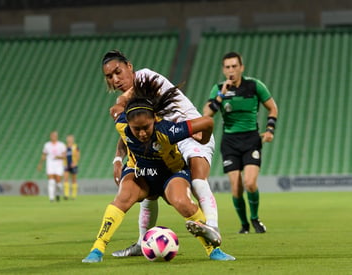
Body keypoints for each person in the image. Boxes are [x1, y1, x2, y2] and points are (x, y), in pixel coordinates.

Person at [82, 75, 235, 263]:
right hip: (142, 173)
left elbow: (208, 123)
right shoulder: (122, 123)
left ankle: (213, 250)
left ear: (154, 119)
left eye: (146, 127)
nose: (142, 133)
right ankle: (97, 249)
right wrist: (117, 160)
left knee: (181, 201)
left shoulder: (167, 129)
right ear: (128, 123)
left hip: (171, 174)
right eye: (136, 129)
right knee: (123, 197)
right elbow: (121, 127)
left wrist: (201, 140)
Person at [103, 50, 222, 257]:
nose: (115, 79)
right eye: (109, 77)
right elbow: (128, 130)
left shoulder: (146, 77)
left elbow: (122, 101)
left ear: (129, 66)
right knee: (150, 187)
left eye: (118, 72)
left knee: (197, 181)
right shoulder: (138, 104)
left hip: (191, 133)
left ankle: (213, 227)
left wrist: (118, 105)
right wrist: (117, 158)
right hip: (167, 140)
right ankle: (142, 243)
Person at [203, 52, 278, 234]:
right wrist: (221, 95)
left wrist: (269, 130)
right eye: (227, 67)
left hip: (251, 139)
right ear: (223, 70)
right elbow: (207, 113)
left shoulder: (254, 85)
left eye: (234, 66)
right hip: (230, 141)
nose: (231, 70)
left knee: (250, 183)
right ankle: (244, 225)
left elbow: (272, 107)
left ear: (241, 68)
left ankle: (254, 218)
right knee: (236, 188)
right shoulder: (219, 88)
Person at [37, 131, 66, 202]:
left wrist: (58, 157)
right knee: (51, 181)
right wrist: (40, 164)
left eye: (54, 135)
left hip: (58, 163)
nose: (53, 137)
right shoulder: (47, 145)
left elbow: (65, 156)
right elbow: (44, 154)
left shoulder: (61, 145)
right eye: (52, 135)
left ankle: (59, 192)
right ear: (50, 136)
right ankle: (51, 198)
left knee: (58, 181)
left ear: (57, 136)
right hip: (50, 163)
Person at [63, 135, 80, 200]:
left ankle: (74, 195)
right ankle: (66, 195)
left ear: (73, 140)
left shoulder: (75, 147)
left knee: (74, 179)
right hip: (66, 164)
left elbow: (78, 155)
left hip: (73, 164)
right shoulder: (65, 147)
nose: (70, 140)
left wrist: (75, 163)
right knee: (66, 178)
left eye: (71, 139)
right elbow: (63, 155)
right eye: (69, 139)